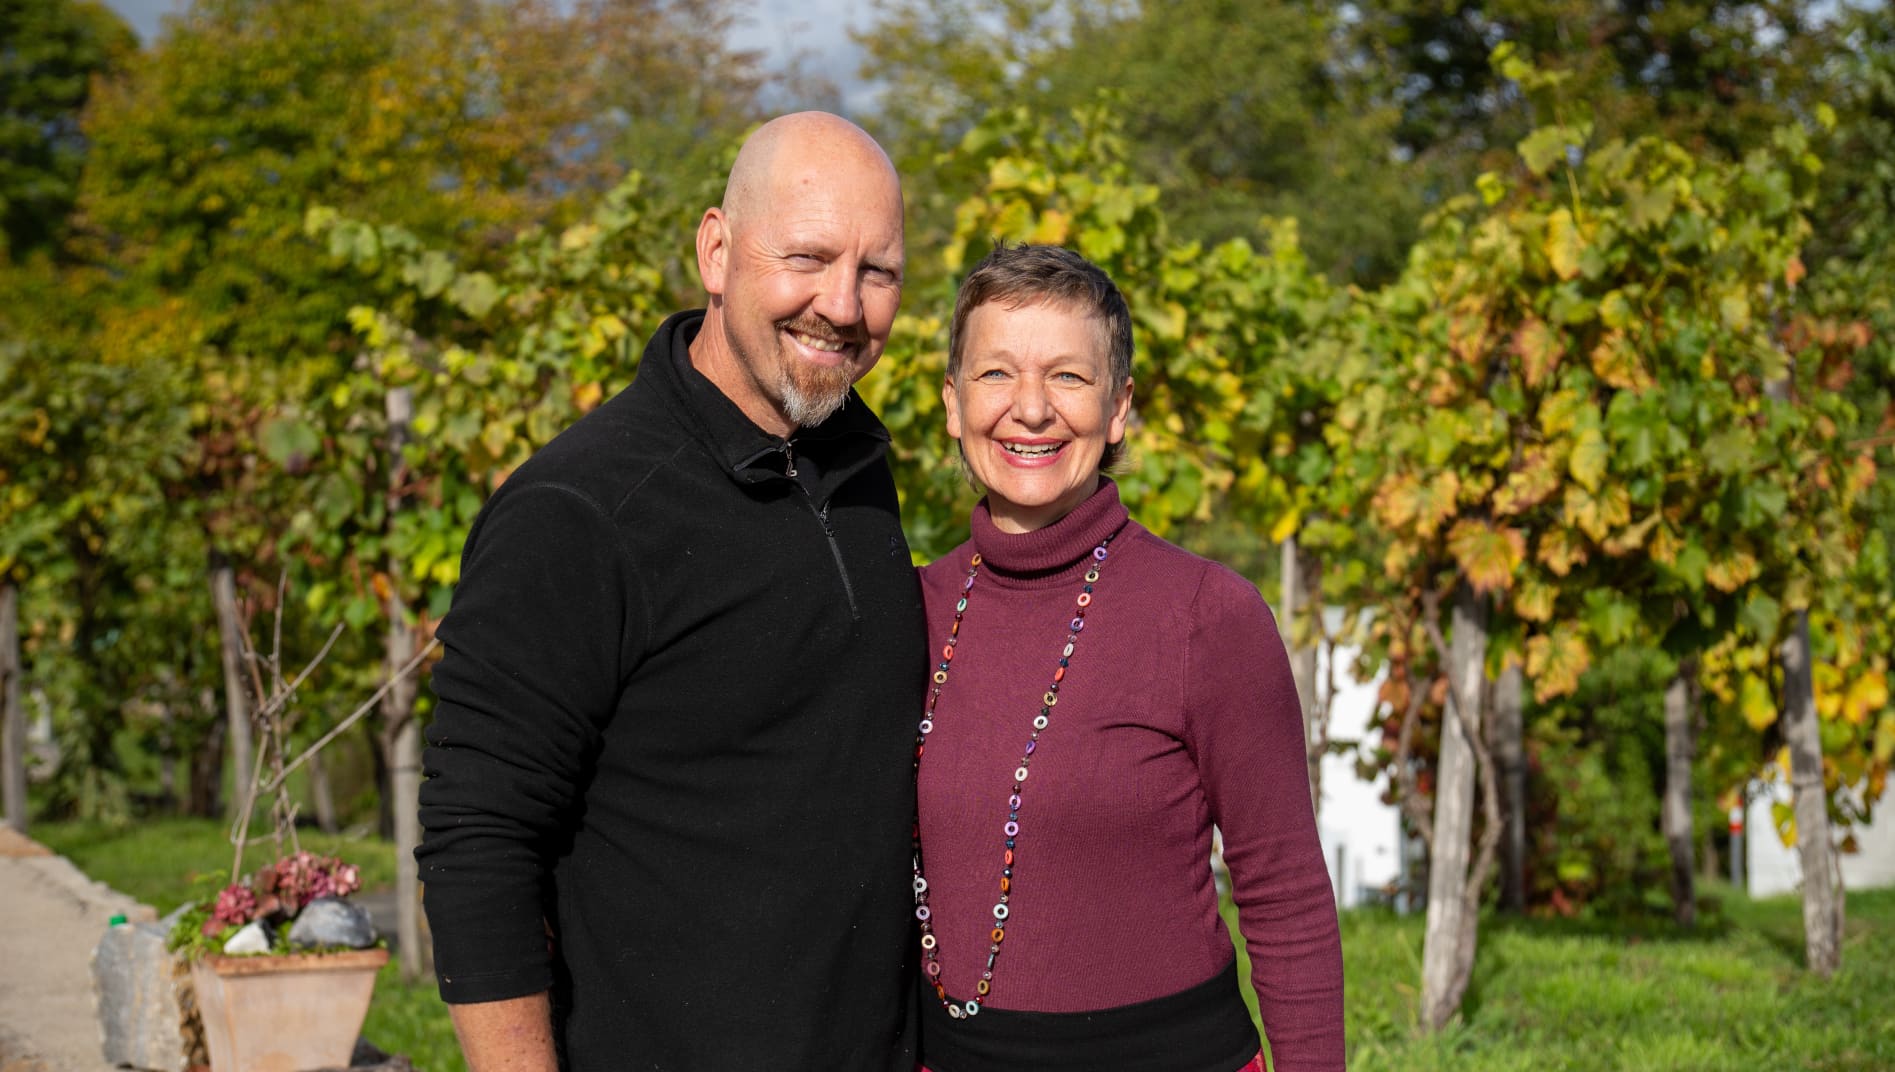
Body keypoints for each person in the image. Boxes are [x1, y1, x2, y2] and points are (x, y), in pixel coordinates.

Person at [414, 112, 926, 1071]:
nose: (842, 304)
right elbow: (477, 837)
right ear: (716, 252)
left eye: (878, 272)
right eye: (807, 257)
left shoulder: (854, 464)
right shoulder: (580, 511)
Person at [910, 243, 1345, 1072]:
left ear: (1117, 409)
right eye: (995, 373)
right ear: (952, 403)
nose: (1029, 408)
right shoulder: (911, 611)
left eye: (1068, 377)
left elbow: (1282, 890)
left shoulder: (1206, 616)